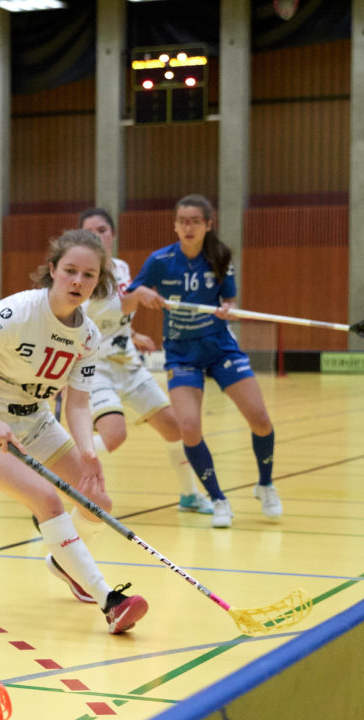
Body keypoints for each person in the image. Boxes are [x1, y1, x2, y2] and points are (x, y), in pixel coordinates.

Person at [0, 229, 149, 634]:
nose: (77, 282)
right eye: (70, 271)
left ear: (98, 281)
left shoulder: (88, 336)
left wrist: (88, 450)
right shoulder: (16, 312)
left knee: (97, 499)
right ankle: (109, 599)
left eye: (89, 276)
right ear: (52, 270)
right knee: (46, 499)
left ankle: (63, 561)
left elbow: (78, 403)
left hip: (34, 419)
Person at [126, 194, 280, 529]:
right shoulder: (160, 260)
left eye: (195, 220)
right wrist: (143, 295)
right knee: (190, 428)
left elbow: (230, 298)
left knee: (261, 420)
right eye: (182, 220)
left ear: (208, 224)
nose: (188, 227)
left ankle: (265, 484)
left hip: (221, 348)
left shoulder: (220, 256)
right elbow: (128, 298)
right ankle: (218, 499)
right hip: (182, 353)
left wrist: (229, 308)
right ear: (175, 225)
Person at [76, 208, 212, 515]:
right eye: (89, 231)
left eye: (102, 230)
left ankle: (189, 496)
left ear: (112, 235)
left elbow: (114, 316)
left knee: (175, 428)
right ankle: (59, 467)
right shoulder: (82, 275)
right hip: (96, 368)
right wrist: (137, 297)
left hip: (129, 363)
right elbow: (86, 318)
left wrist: (132, 332)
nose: (96, 236)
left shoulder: (122, 268)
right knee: (114, 436)